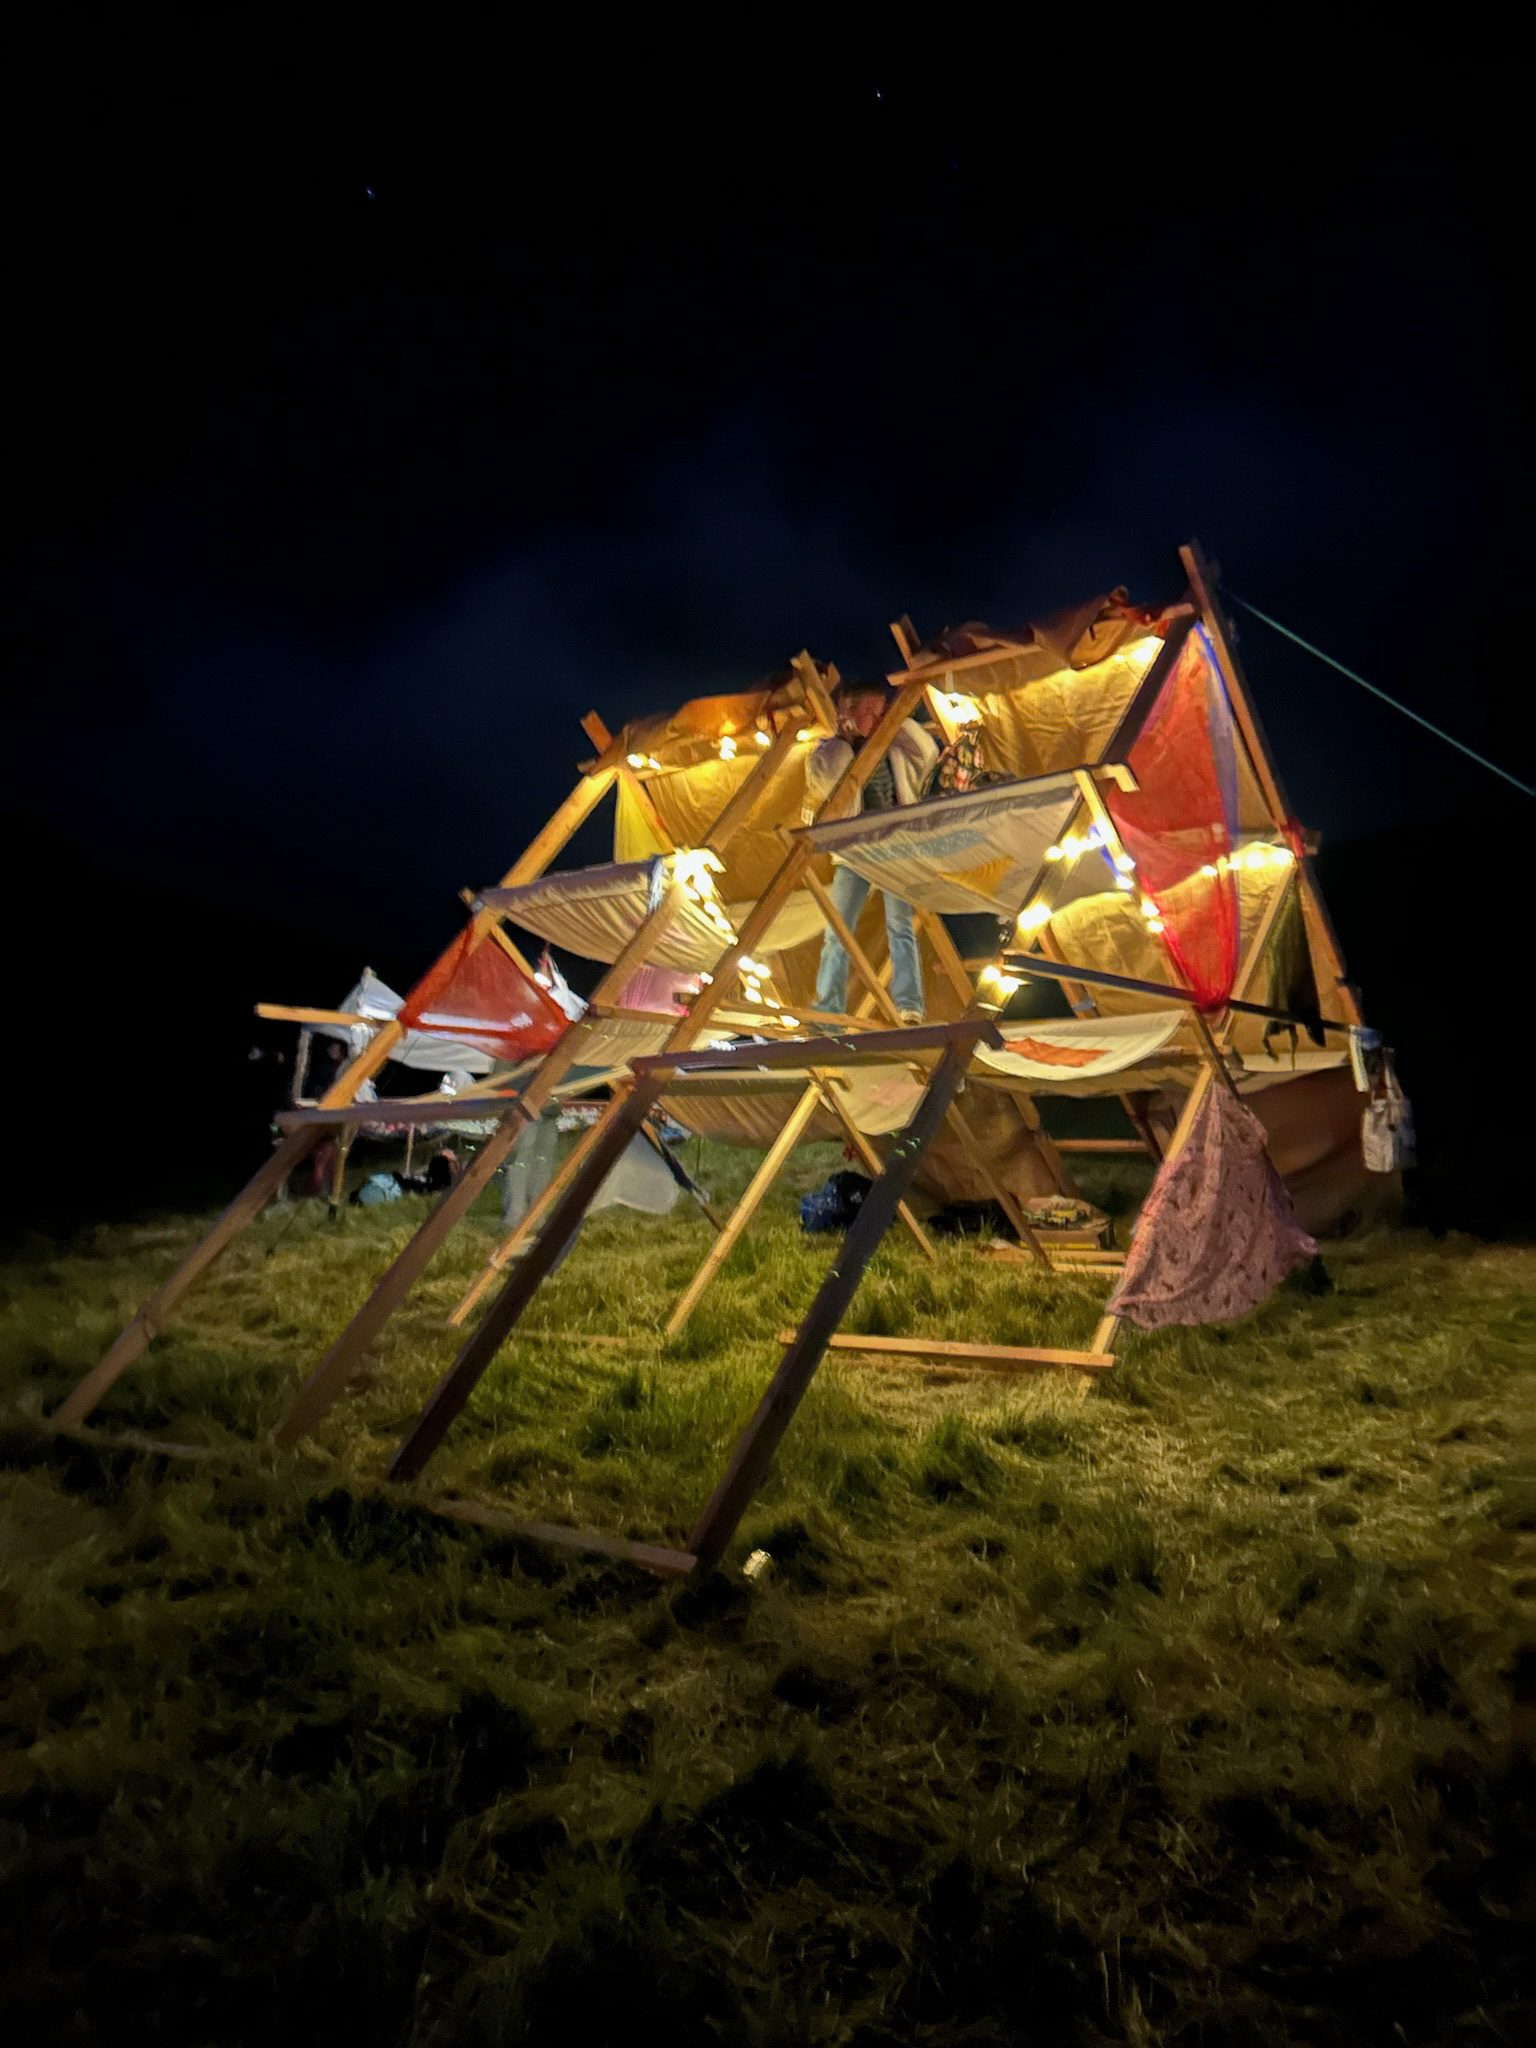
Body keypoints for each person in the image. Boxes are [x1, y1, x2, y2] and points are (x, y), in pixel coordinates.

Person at [804, 678, 937, 1023]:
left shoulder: (893, 748)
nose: (877, 721)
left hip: (893, 847)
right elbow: (829, 777)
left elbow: (927, 751)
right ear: (847, 711)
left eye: (881, 713)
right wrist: (844, 739)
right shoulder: (827, 751)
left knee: (900, 927)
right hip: (855, 851)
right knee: (838, 930)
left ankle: (909, 1005)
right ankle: (828, 1010)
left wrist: (894, 720)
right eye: (870, 713)